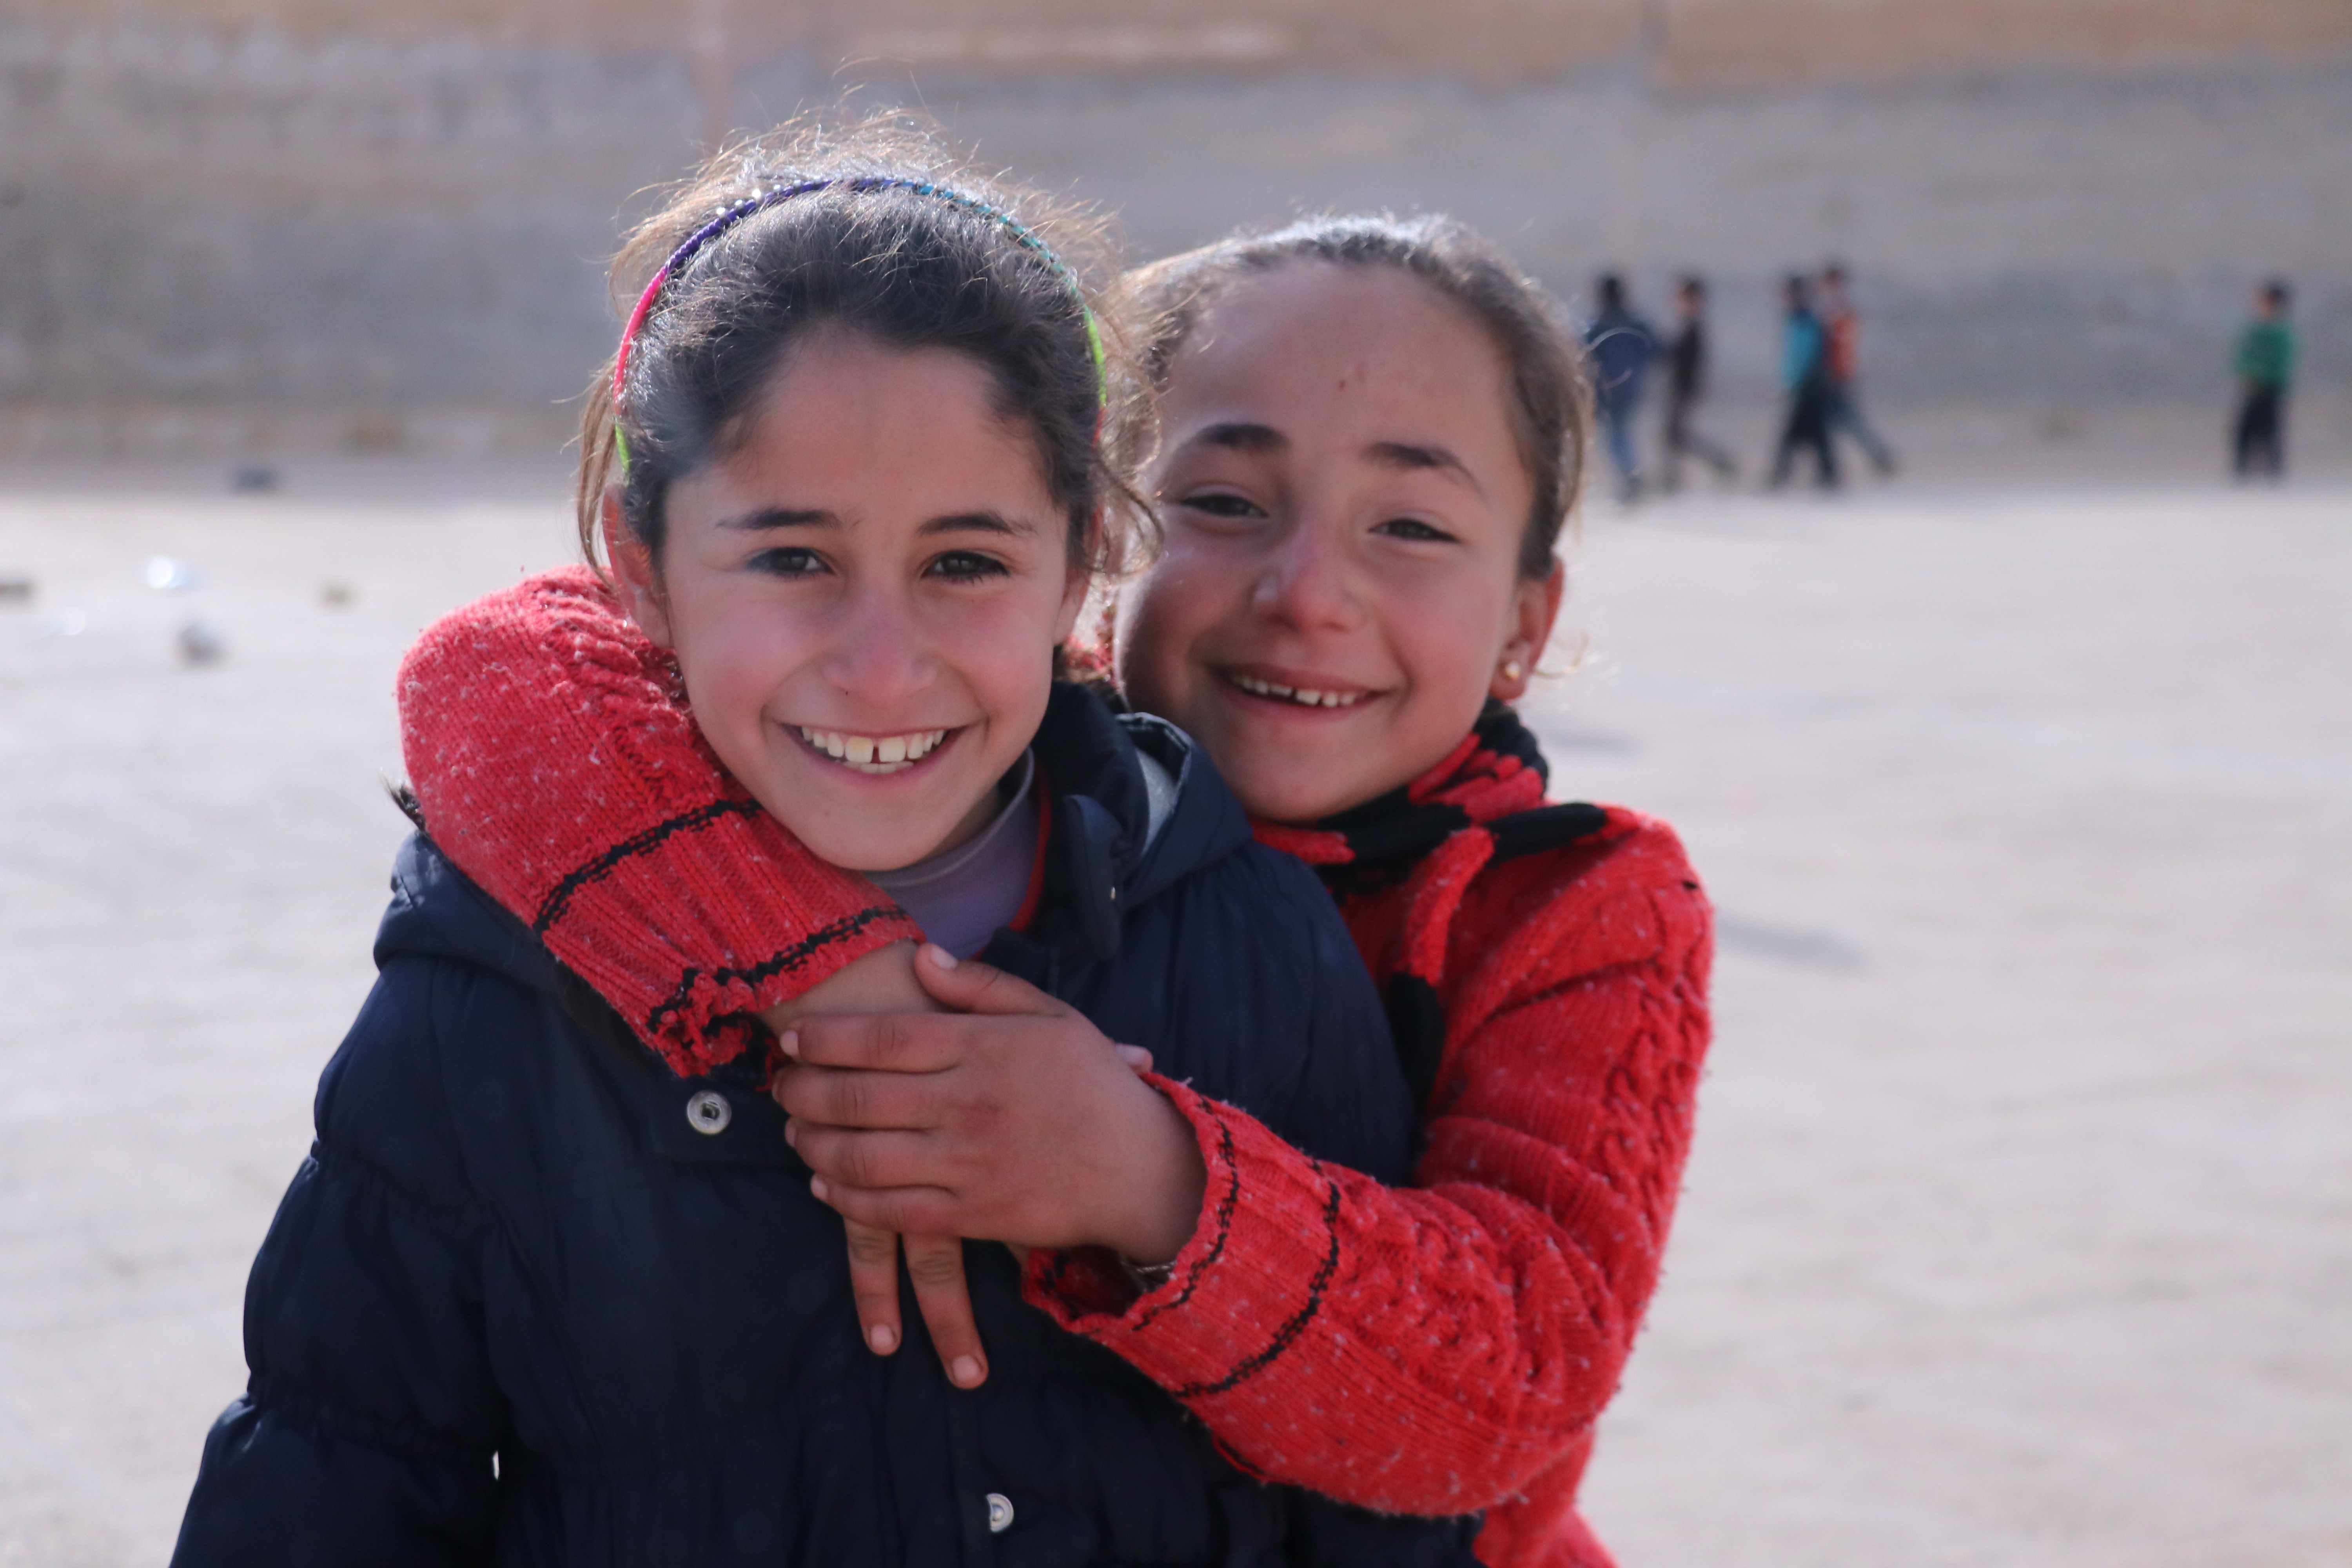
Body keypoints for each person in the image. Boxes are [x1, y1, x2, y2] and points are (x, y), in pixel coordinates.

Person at [169, 122, 1485, 1567]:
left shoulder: (1248, 945)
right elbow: (332, 1469)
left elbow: (1382, 1501)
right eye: (793, 557)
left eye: (965, 563)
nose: (878, 666)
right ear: (639, 560)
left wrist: (1158, 1181)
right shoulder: (487, 1001)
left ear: (1080, 560)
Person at [398, 212, 1715, 1568]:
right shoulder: (938, 762)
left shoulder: (1576, 902)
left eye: (1414, 524)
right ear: (1102, 542)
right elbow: (499, 669)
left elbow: (1511, 1387)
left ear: (1526, 623)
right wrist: (820, 966)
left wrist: (1150, 1178)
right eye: (1223, 503)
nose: (1307, 591)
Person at [1582, 272, 1659, 503]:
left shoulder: (1596, 326)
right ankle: (1630, 474)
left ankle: (1629, 475)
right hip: (1631, 388)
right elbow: (1657, 350)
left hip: (1605, 390)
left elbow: (1583, 355)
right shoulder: (1636, 323)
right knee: (1622, 432)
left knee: (1615, 435)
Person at [1817, 262, 1897, 476]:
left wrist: (1840, 371)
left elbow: (1843, 346)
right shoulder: (1832, 309)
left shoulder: (1841, 311)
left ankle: (1877, 456)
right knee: (1834, 424)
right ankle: (1833, 466)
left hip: (1838, 377)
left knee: (1847, 422)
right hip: (1833, 376)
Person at [1661, 273, 1738, 490]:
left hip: (1684, 388)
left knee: (1675, 436)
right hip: (1680, 387)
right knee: (1674, 436)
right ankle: (1673, 478)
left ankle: (1676, 479)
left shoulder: (1694, 326)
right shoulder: (1688, 324)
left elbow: (1691, 361)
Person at [1767, 271, 1838, 490]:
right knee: (1816, 435)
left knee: (1792, 434)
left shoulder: (1805, 321)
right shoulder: (1798, 319)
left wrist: (1791, 383)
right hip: (1808, 387)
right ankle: (1828, 473)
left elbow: (1804, 357)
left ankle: (1780, 474)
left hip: (1808, 388)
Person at [2232, 278, 2295, 479]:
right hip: (2251, 389)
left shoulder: (2282, 334)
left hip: (2271, 389)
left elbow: (2281, 364)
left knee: (2270, 432)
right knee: (2244, 431)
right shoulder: (2254, 331)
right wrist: (2247, 375)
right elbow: (2240, 358)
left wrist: (2258, 374)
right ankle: (2242, 473)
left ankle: (2273, 475)